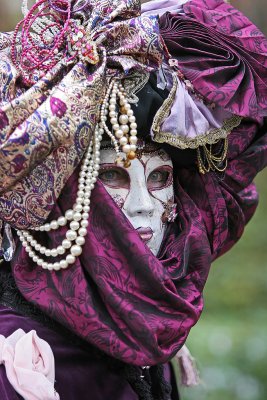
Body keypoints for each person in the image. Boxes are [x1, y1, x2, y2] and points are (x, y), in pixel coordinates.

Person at [0, 0, 266, 399]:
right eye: (110, 175)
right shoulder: (21, 360)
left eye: (160, 177)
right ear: (65, 193)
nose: (144, 205)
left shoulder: (140, 320)